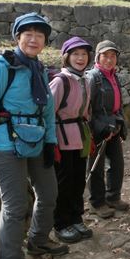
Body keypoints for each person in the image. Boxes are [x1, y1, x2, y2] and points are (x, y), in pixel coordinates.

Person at [0, 12, 68, 259]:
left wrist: (50, 142)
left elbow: (47, 110)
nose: (34, 39)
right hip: (5, 145)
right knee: (15, 206)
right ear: (17, 37)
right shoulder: (3, 67)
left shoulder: (38, 69)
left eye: (40, 35)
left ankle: (38, 240)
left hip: (36, 140)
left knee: (49, 193)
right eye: (28, 34)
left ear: (45, 41)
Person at [50, 37, 94, 244]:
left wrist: (89, 135)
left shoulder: (85, 79)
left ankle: (76, 218)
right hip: (63, 137)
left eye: (84, 54)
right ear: (67, 57)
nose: (80, 58)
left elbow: (86, 111)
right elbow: (48, 112)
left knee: (78, 180)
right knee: (64, 182)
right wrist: (51, 142)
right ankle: (61, 223)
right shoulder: (61, 81)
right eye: (76, 54)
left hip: (80, 135)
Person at [86, 40, 130, 218]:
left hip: (114, 126)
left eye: (113, 56)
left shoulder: (113, 76)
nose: (109, 60)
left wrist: (119, 123)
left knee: (117, 163)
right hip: (98, 129)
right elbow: (87, 107)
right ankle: (97, 202)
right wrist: (98, 128)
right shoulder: (93, 78)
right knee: (96, 167)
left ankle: (113, 197)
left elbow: (117, 103)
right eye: (105, 56)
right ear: (98, 57)